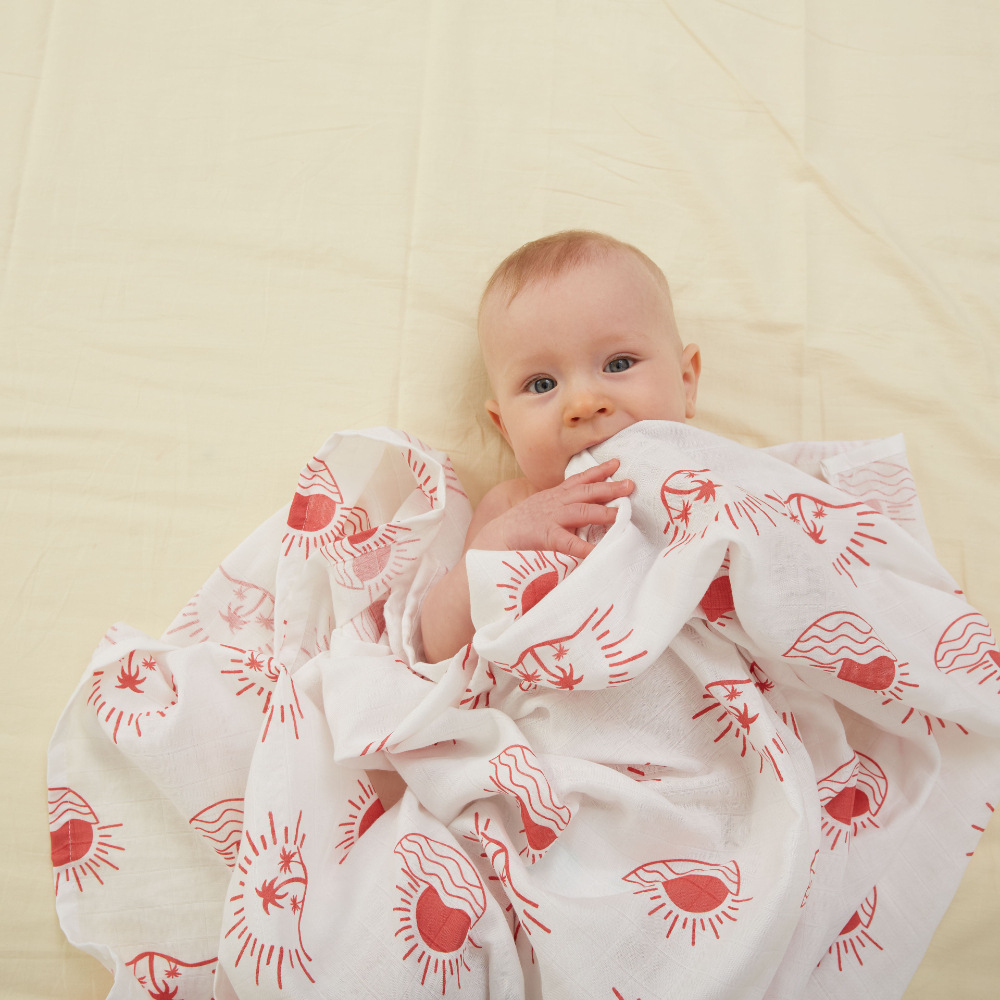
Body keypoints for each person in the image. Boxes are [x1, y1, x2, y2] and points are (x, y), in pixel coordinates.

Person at [420, 230, 702, 663]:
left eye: (618, 364)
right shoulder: (513, 509)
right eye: (542, 384)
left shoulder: (711, 476)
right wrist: (500, 540)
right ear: (506, 429)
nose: (584, 404)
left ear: (686, 383)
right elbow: (441, 649)